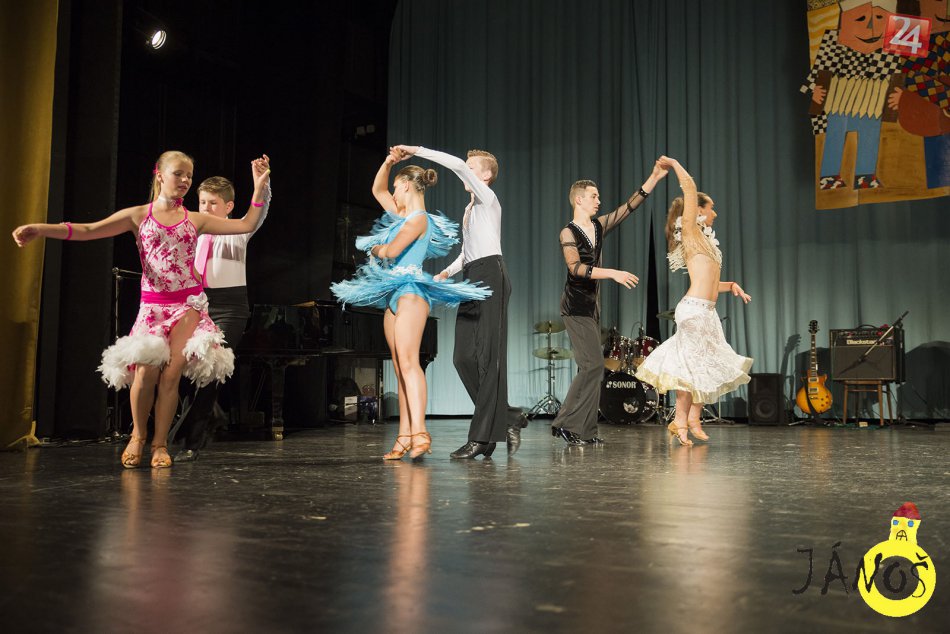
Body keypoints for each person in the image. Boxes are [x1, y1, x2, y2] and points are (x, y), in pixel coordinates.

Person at [12, 151, 271, 468]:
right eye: (178, 174)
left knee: (171, 375)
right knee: (146, 373)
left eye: (189, 175)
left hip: (188, 305)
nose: (185, 180)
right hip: (153, 307)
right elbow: (90, 230)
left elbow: (246, 223)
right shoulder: (137, 215)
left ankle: (160, 444)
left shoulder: (195, 219)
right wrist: (41, 229)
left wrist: (259, 187)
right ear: (160, 175)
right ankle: (138, 436)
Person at [330, 150, 490, 461]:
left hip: (411, 292)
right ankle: (404, 435)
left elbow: (391, 251)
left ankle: (420, 433)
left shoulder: (418, 220)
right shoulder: (401, 215)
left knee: (409, 364)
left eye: (395, 187)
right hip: (393, 295)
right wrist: (388, 163)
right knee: (399, 369)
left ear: (405, 185)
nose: (392, 193)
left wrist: (375, 248)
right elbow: (377, 189)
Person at [392, 144, 526, 459]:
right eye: (468, 166)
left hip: (491, 275)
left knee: (489, 358)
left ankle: (481, 438)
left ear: (485, 176)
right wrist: (445, 273)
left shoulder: (488, 198)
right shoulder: (470, 209)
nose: (466, 169)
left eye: (472, 167)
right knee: (462, 357)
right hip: (471, 275)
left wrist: (416, 151)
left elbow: (457, 166)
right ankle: (507, 417)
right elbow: (467, 252)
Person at [635, 157, 753, 446]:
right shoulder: (690, 233)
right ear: (698, 210)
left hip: (706, 311)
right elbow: (689, 188)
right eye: (711, 208)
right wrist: (675, 164)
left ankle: (690, 419)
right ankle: (682, 420)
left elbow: (709, 283)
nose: (715, 213)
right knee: (693, 368)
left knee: (707, 365)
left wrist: (731, 286)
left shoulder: (707, 242)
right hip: (693, 311)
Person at [551, 162, 667, 445]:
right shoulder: (568, 233)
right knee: (591, 365)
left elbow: (629, 207)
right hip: (575, 307)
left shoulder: (598, 226)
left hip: (592, 308)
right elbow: (576, 269)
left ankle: (587, 431)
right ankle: (564, 423)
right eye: (594, 196)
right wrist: (613, 273)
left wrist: (653, 178)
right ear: (579, 199)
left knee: (596, 369)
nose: (599, 201)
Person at [175, 159, 273, 462]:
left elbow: (259, 211)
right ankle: (213, 414)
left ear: (228, 207)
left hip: (230, 306)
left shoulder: (239, 231)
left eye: (212, 203)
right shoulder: (192, 232)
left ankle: (192, 441)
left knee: (212, 368)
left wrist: (261, 184)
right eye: (202, 202)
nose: (205, 208)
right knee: (183, 369)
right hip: (197, 303)